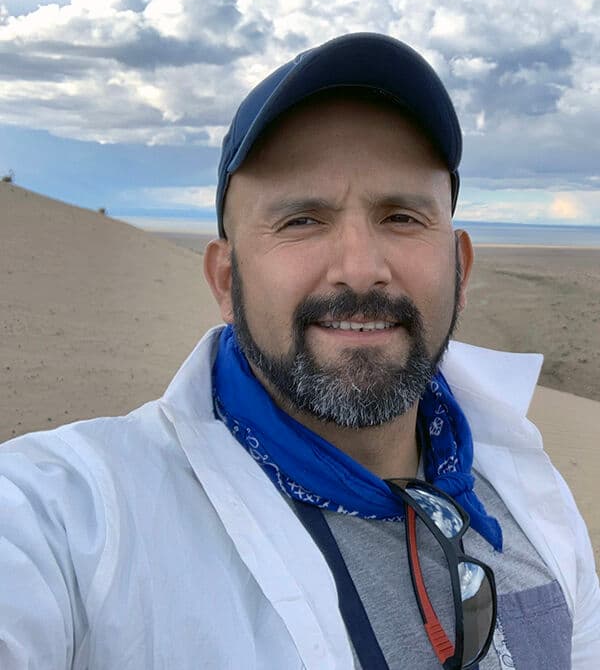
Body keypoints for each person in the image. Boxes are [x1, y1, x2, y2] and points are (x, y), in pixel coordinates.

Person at [0, 33, 598, 670]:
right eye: (302, 220)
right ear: (227, 282)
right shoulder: (83, 522)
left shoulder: (534, 502)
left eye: (401, 216)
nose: (362, 268)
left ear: (460, 267)